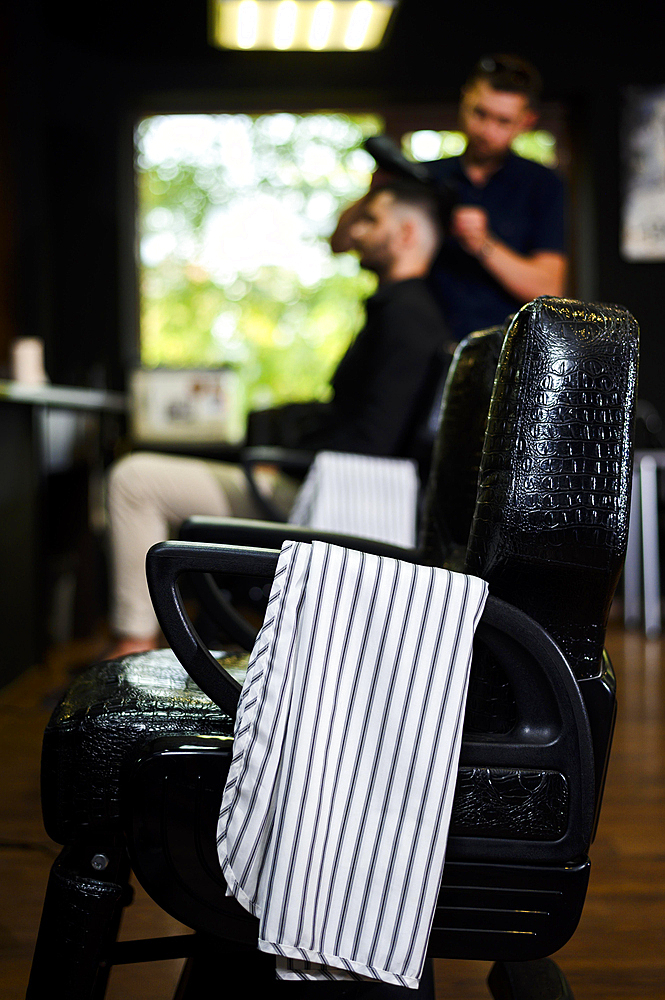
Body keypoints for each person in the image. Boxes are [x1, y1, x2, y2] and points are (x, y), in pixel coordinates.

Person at [106, 180, 451, 656]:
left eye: (372, 221)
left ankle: (133, 646)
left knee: (134, 478)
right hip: (320, 481)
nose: (356, 233)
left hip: (334, 501)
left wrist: (282, 462)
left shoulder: (406, 319)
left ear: (408, 233)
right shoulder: (403, 312)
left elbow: (371, 441)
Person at [332, 54, 567, 343]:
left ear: (526, 121)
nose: (486, 130)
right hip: (422, 346)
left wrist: (484, 244)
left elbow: (548, 288)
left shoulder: (542, 185)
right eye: (479, 113)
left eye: (503, 121)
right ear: (465, 100)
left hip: (500, 353)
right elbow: (341, 243)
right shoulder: (427, 178)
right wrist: (374, 192)